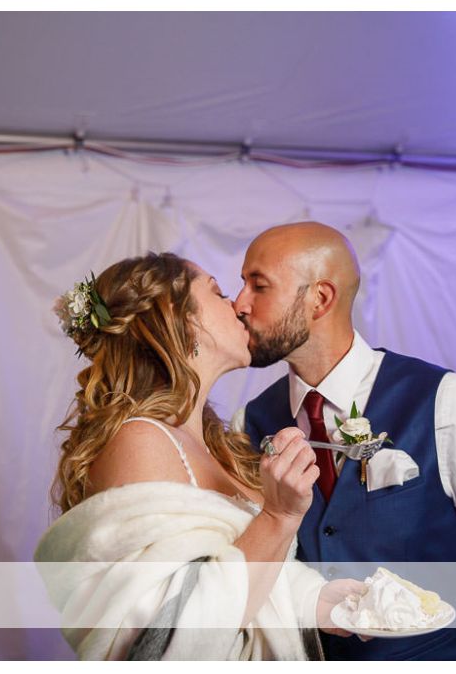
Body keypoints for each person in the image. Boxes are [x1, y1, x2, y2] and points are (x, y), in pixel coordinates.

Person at [234, 221, 456, 660]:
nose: (240, 304)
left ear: (320, 298)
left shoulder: (445, 400)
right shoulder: (249, 423)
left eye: (259, 286)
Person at [34, 252, 362, 660]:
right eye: (219, 293)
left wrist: (324, 602)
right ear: (181, 317)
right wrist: (279, 517)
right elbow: (162, 639)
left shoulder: (216, 443)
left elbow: (250, 581)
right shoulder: (141, 441)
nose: (239, 306)